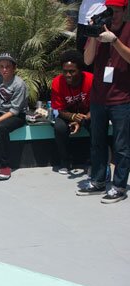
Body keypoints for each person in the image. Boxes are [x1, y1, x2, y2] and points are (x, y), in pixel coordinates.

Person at [77, 0, 130, 203]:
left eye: (116, 11)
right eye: (110, 11)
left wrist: (114, 40)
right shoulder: (102, 31)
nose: (112, 15)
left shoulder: (127, 30)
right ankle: (98, 180)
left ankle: (118, 186)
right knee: (97, 142)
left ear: (125, 11)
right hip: (99, 97)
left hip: (121, 99)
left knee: (121, 145)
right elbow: (88, 60)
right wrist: (93, 35)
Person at [51, 50, 93, 174]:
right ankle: (65, 162)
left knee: (96, 125)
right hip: (68, 114)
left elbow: (97, 106)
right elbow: (60, 110)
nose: (68, 75)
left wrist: (83, 119)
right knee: (59, 127)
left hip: (89, 114)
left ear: (80, 70)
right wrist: (74, 117)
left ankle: (93, 162)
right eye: (65, 71)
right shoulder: (57, 82)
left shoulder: (91, 80)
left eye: (72, 71)